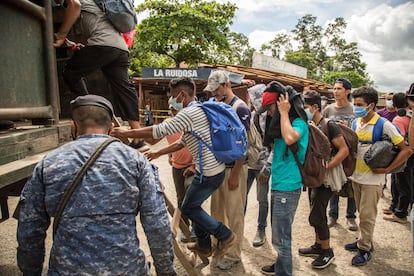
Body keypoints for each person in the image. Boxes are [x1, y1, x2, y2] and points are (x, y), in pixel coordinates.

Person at [16, 94, 176, 275]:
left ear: (73, 126)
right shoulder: (136, 161)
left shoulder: (49, 163)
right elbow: (156, 223)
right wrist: (165, 270)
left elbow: (29, 228)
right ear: (112, 128)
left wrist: (31, 271)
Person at [111, 77, 237, 259]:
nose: (171, 100)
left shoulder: (188, 114)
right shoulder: (197, 110)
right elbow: (182, 142)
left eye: (172, 96)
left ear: (182, 95)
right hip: (210, 170)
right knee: (192, 206)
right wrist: (158, 153)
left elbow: (158, 131)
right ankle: (204, 245)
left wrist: (128, 132)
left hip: (208, 173)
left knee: (189, 208)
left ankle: (225, 235)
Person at [53, 0, 148, 152]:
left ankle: (90, 108)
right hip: (119, 48)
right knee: (124, 88)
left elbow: (74, 5)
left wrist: (61, 34)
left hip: (102, 44)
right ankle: (138, 138)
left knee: (71, 73)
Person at [345, 87, 412, 266]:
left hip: (372, 181)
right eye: (355, 103)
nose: (356, 107)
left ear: (371, 105)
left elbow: (406, 150)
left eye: (360, 104)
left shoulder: (384, 124)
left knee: (367, 215)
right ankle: (362, 239)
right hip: (356, 177)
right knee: (361, 212)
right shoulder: (355, 122)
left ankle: (365, 249)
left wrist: (387, 169)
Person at [203, 70, 251, 270]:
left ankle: (233, 254)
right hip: (218, 168)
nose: (213, 94)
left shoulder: (240, 108)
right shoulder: (217, 106)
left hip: (234, 169)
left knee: (234, 213)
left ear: (227, 85)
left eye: (216, 90)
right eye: (211, 91)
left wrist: (235, 174)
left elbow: (244, 144)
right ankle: (220, 245)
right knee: (217, 212)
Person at [260, 82, 309, 276]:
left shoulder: (298, 123)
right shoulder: (280, 124)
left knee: (283, 238)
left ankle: (284, 272)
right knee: (278, 234)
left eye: (271, 108)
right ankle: (280, 264)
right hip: (279, 185)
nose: (269, 113)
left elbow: (290, 139)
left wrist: (284, 112)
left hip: (288, 187)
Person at [298, 91, 349, 269]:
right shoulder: (310, 123)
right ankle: (318, 245)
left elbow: (343, 150)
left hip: (326, 178)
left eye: (305, 107)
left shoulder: (330, 125)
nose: (303, 110)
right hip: (314, 176)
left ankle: (327, 251)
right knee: (314, 208)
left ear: (315, 107)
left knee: (318, 214)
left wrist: (327, 167)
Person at [144, 105, 197, 242]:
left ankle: (197, 230)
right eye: (171, 109)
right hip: (177, 166)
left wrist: (195, 165)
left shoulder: (190, 122)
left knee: (193, 197)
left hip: (192, 166)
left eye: (175, 109)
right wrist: (134, 134)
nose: (173, 111)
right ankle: (185, 229)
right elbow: (154, 139)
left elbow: (201, 144)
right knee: (181, 199)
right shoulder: (168, 124)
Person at [323, 78, 358, 231]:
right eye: (334, 89)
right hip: (334, 153)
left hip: (350, 154)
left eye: (339, 89)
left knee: (351, 184)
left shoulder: (354, 110)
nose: (335, 92)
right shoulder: (329, 109)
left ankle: (351, 217)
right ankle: (333, 215)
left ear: (348, 91)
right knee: (334, 182)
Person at [245, 84, 270, 247]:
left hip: (263, 165)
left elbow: (273, 144)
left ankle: (261, 229)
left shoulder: (271, 116)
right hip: (248, 164)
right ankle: (237, 225)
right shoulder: (251, 115)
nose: (253, 101)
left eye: (255, 97)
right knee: (241, 196)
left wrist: (267, 168)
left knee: (262, 199)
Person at [383, 93, 414, 223]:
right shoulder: (408, 116)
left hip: (404, 155)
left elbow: (400, 140)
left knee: (402, 184)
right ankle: (394, 206)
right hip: (408, 155)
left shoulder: (399, 119)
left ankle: (400, 213)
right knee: (396, 182)